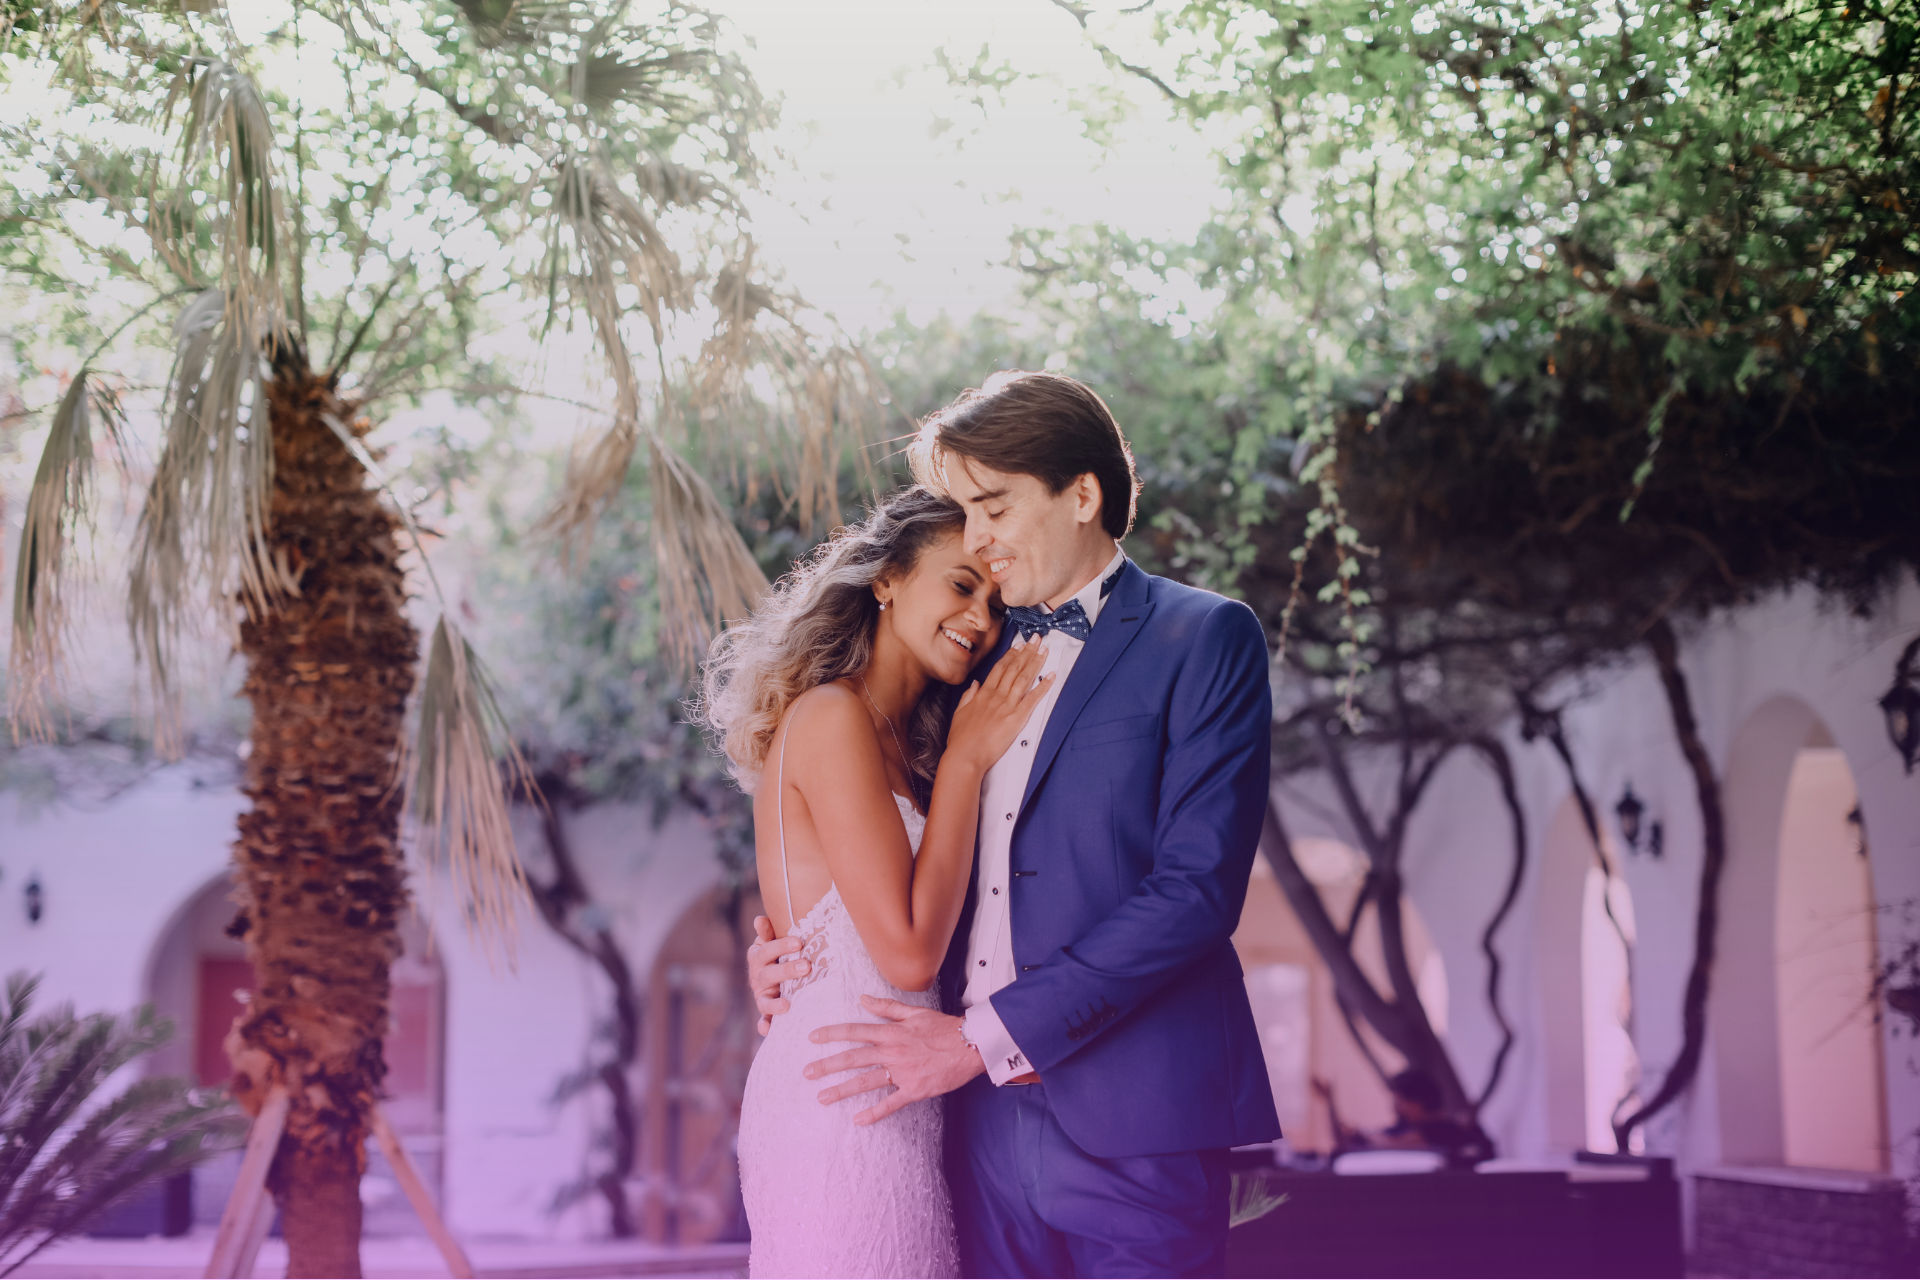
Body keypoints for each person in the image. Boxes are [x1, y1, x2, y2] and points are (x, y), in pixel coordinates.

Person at [746, 372, 1281, 1278]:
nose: (980, 542)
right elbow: (863, 843)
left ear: (1084, 494)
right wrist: (790, 950)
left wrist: (977, 1040)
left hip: (1135, 1119)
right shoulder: (960, 653)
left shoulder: (1206, 637)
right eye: (965, 513)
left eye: (992, 507)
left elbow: (1195, 894)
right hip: (959, 1129)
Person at [698, 486, 1054, 1278]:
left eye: (996, 602)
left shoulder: (907, 746)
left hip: (897, 1101)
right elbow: (905, 956)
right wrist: (967, 760)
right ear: (886, 579)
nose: (981, 618)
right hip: (839, 1100)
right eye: (962, 584)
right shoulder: (832, 716)